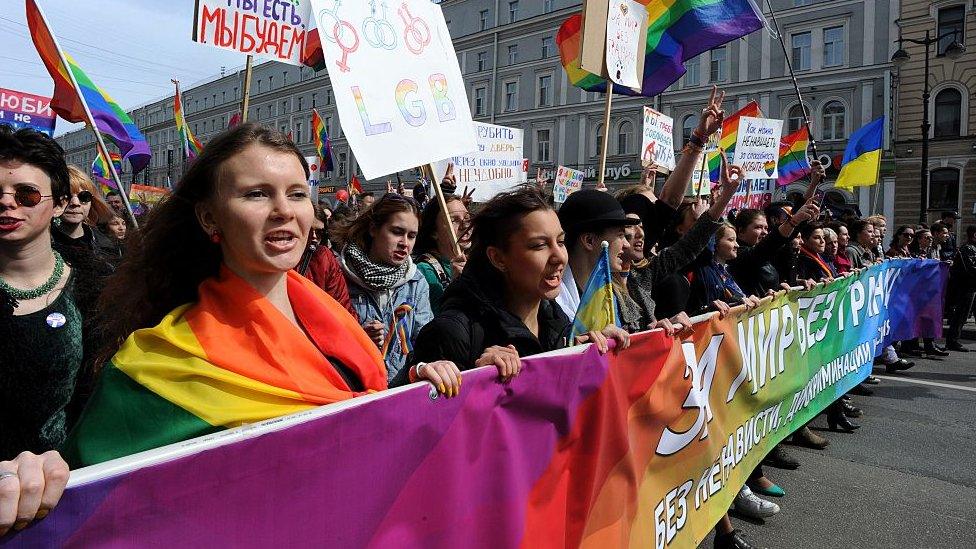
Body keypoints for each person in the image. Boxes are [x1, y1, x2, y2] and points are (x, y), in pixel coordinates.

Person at [0, 125, 470, 534]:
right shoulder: (161, 362)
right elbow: (91, 502)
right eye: (256, 194)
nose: (284, 210)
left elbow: (359, 422)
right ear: (209, 218)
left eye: (298, 193)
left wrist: (414, 395)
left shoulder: (333, 318)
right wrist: (38, 479)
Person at [398, 186, 629, 388]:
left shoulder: (560, 326)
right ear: (498, 258)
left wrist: (596, 349)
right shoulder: (454, 332)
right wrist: (472, 376)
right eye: (539, 245)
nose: (559, 257)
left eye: (560, 242)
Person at [0, 125, 110, 467]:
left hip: (69, 488)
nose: (6, 203)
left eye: (26, 195)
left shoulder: (100, 288)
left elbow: (104, 405)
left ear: (59, 204)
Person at [333, 192, 434, 382]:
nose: (405, 243)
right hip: (353, 391)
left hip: (399, 391)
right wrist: (359, 338)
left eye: (412, 236)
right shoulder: (338, 275)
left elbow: (425, 343)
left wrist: (419, 369)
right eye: (397, 232)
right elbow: (324, 341)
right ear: (373, 229)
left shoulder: (416, 281)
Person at [413, 194, 470, 314]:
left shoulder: (479, 263)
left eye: (467, 218)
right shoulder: (425, 271)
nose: (465, 226)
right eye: (454, 220)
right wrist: (455, 287)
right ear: (434, 232)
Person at [52, 166, 119, 264]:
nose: (75, 203)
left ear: (92, 202)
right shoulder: (35, 245)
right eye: (66, 195)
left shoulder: (107, 246)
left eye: (84, 197)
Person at [946, 225, 976, 352]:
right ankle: (952, 341)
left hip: (971, 287)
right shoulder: (968, 249)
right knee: (961, 314)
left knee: (963, 314)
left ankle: (953, 340)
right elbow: (971, 269)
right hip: (966, 287)